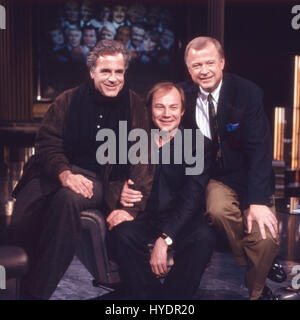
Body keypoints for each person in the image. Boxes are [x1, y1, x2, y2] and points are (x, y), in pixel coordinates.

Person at [9, 40, 152, 300]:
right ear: (92, 72)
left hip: (102, 179)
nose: (113, 78)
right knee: (21, 217)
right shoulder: (68, 100)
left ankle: (34, 294)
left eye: (118, 72)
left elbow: (143, 158)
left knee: (68, 200)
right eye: (106, 71)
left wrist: (131, 206)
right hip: (58, 171)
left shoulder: (135, 107)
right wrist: (64, 174)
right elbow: (47, 144)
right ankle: (9, 287)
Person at [181, 36, 280, 300]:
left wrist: (257, 200)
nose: (204, 71)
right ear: (189, 69)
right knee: (217, 210)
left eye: (210, 63)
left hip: (251, 177)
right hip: (215, 179)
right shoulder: (181, 96)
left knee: (266, 239)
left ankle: (256, 292)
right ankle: (259, 265)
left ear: (223, 62)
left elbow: (260, 149)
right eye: (196, 65)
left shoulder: (247, 92)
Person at [107, 82, 216, 300]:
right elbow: (112, 178)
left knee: (204, 237)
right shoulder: (133, 139)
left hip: (179, 220)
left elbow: (192, 196)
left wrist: (165, 238)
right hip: (142, 216)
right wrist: (119, 195)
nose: (167, 114)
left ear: (183, 111)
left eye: (173, 107)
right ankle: (150, 298)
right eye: (160, 107)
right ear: (149, 110)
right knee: (122, 233)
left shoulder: (198, 144)